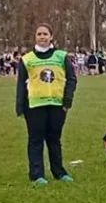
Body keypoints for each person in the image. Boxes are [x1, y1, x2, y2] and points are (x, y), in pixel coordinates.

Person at [15, 24, 77, 186]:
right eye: (39, 34)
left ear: (51, 37)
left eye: (45, 34)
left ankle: (59, 172)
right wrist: (20, 105)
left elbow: (71, 79)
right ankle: (37, 175)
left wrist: (67, 101)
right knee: (36, 140)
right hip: (34, 106)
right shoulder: (27, 59)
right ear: (35, 37)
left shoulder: (61, 56)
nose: (42, 37)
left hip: (57, 105)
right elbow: (21, 83)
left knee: (54, 139)